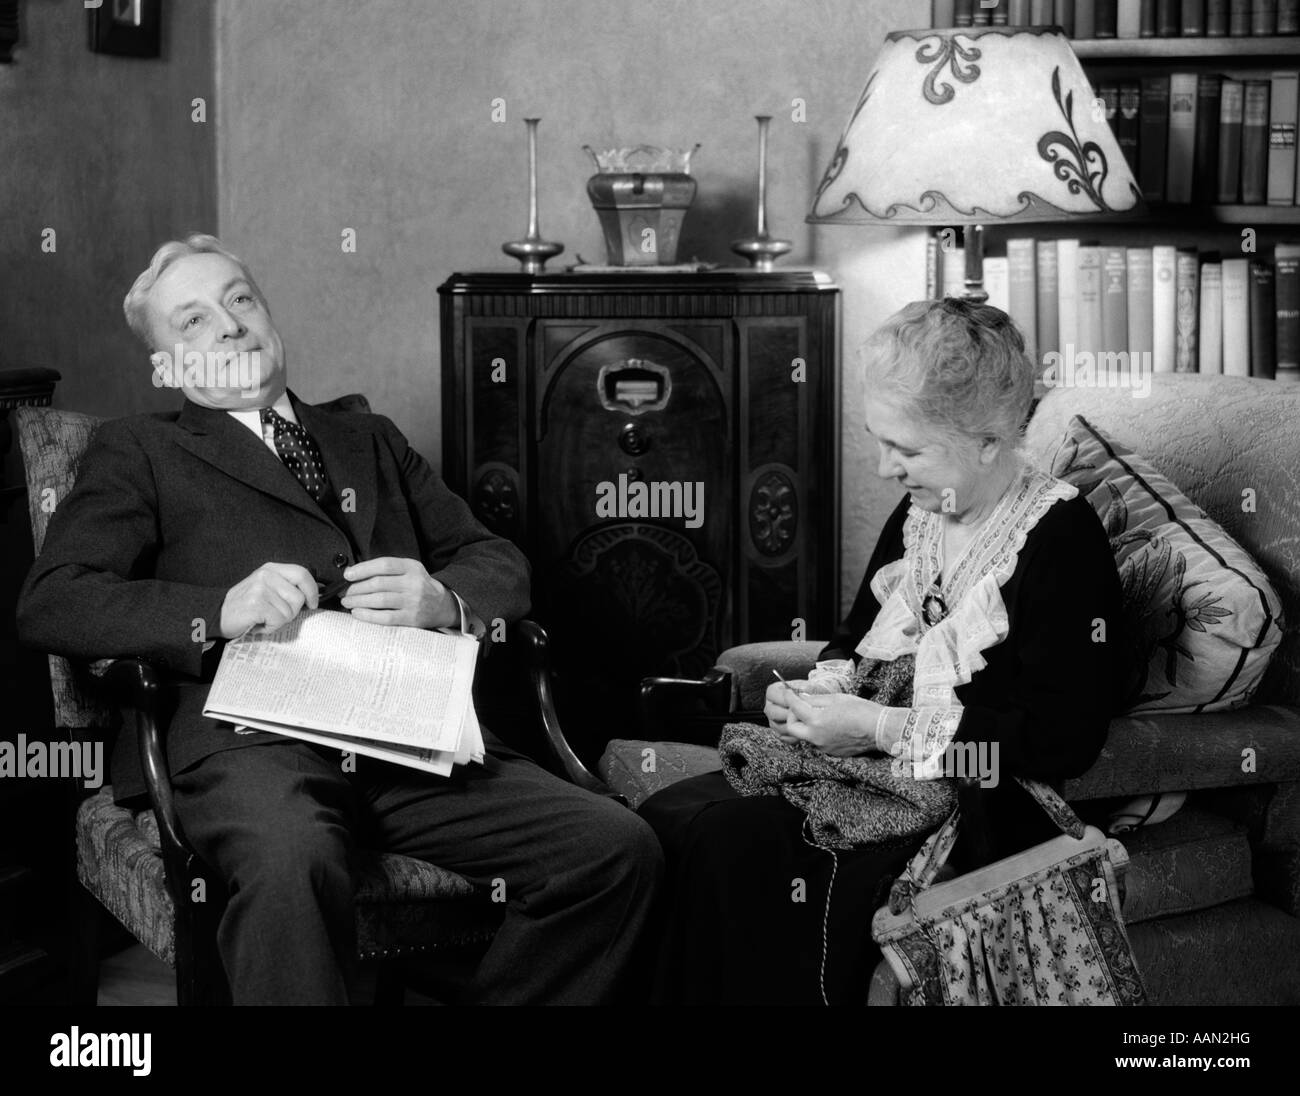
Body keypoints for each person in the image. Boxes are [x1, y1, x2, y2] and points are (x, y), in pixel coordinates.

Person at [17, 234, 662, 1005]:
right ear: (164, 366)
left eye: (239, 299)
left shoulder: (371, 437)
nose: (227, 325)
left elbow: (499, 563)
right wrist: (215, 610)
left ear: (268, 314)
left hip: (412, 742)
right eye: (190, 322)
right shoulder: (141, 450)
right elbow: (54, 599)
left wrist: (444, 599)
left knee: (614, 850)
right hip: (250, 748)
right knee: (293, 859)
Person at [639, 298, 1125, 1005]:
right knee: (677, 818)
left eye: (906, 448)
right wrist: (818, 693)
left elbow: (1059, 744)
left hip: (980, 792)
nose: (882, 467)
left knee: (736, 845)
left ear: (989, 440)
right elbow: (852, 639)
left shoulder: (1062, 539)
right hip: (866, 764)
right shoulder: (921, 510)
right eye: (879, 440)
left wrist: (874, 729)